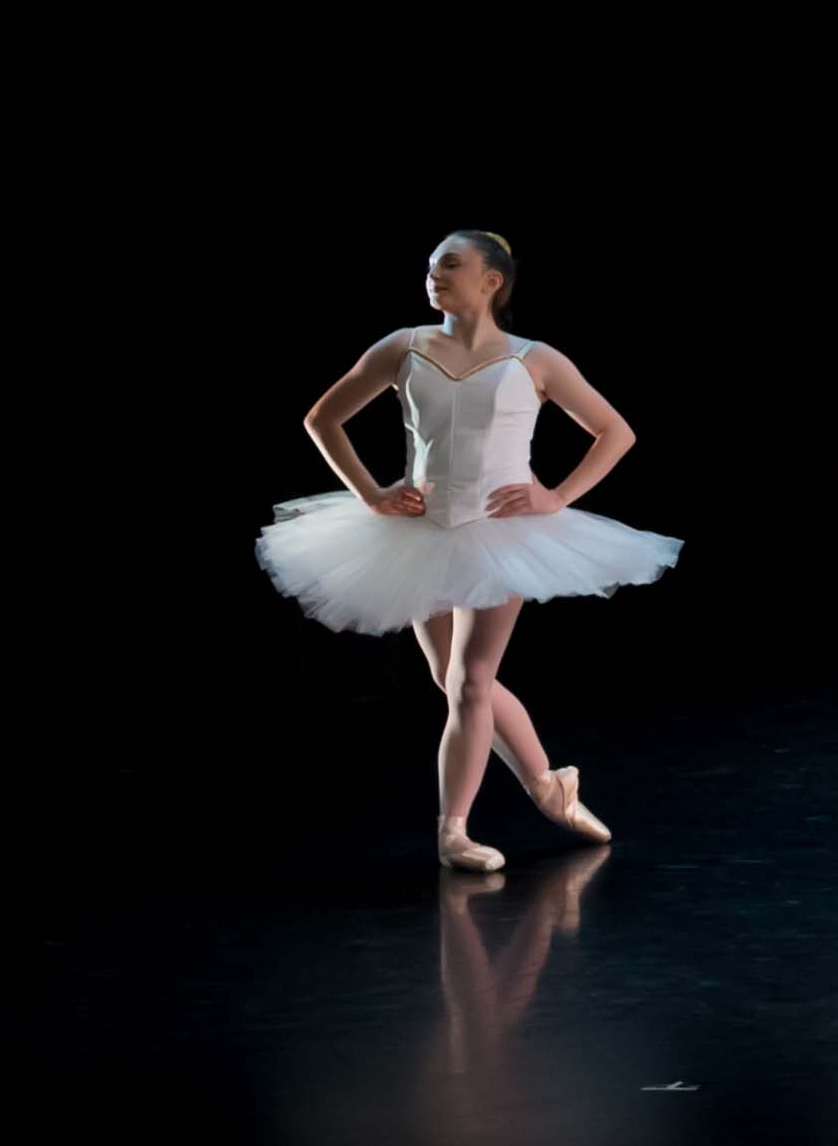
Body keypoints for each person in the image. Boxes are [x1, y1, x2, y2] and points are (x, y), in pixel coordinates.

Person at [262, 229, 677, 868]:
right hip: (420, 531)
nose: (434, 276)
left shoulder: (533, 359)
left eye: (450, 265)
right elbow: (323, 418)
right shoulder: (404, 347)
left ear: (493, 280)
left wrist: (556, 497)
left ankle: (453, 832)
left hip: (500, 533)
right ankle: (549, 785)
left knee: (471, 677)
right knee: (451, 679)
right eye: (430, 267)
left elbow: (613, 432)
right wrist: (372, 493)